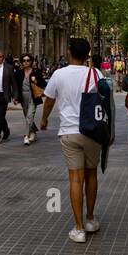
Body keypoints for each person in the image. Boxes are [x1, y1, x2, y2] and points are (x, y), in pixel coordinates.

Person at [40, 38, 104, 243]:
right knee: (92, 174)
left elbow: (49, 100)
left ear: (69, 53)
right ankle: (91, 220)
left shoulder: (58, 75)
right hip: (92, 132)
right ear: (87, 55)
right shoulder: (96, 73)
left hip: (69, 131)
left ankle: (78, 229)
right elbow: (105, 102)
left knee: (75, 178)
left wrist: (43, 120)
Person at [17, 53, 46, 145]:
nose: (26, 62)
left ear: (31, 62)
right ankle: (33, 132)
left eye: (28, 60)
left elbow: (43, 83)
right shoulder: (18, 73)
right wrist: (15, 97)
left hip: (33, 96)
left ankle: (26, 136)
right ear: (22, 62)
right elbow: (16, 86)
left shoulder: (36, 72)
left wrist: (36, 81)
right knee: (27, 116)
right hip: (23, 96)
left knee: (29, 116)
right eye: (24, 60)